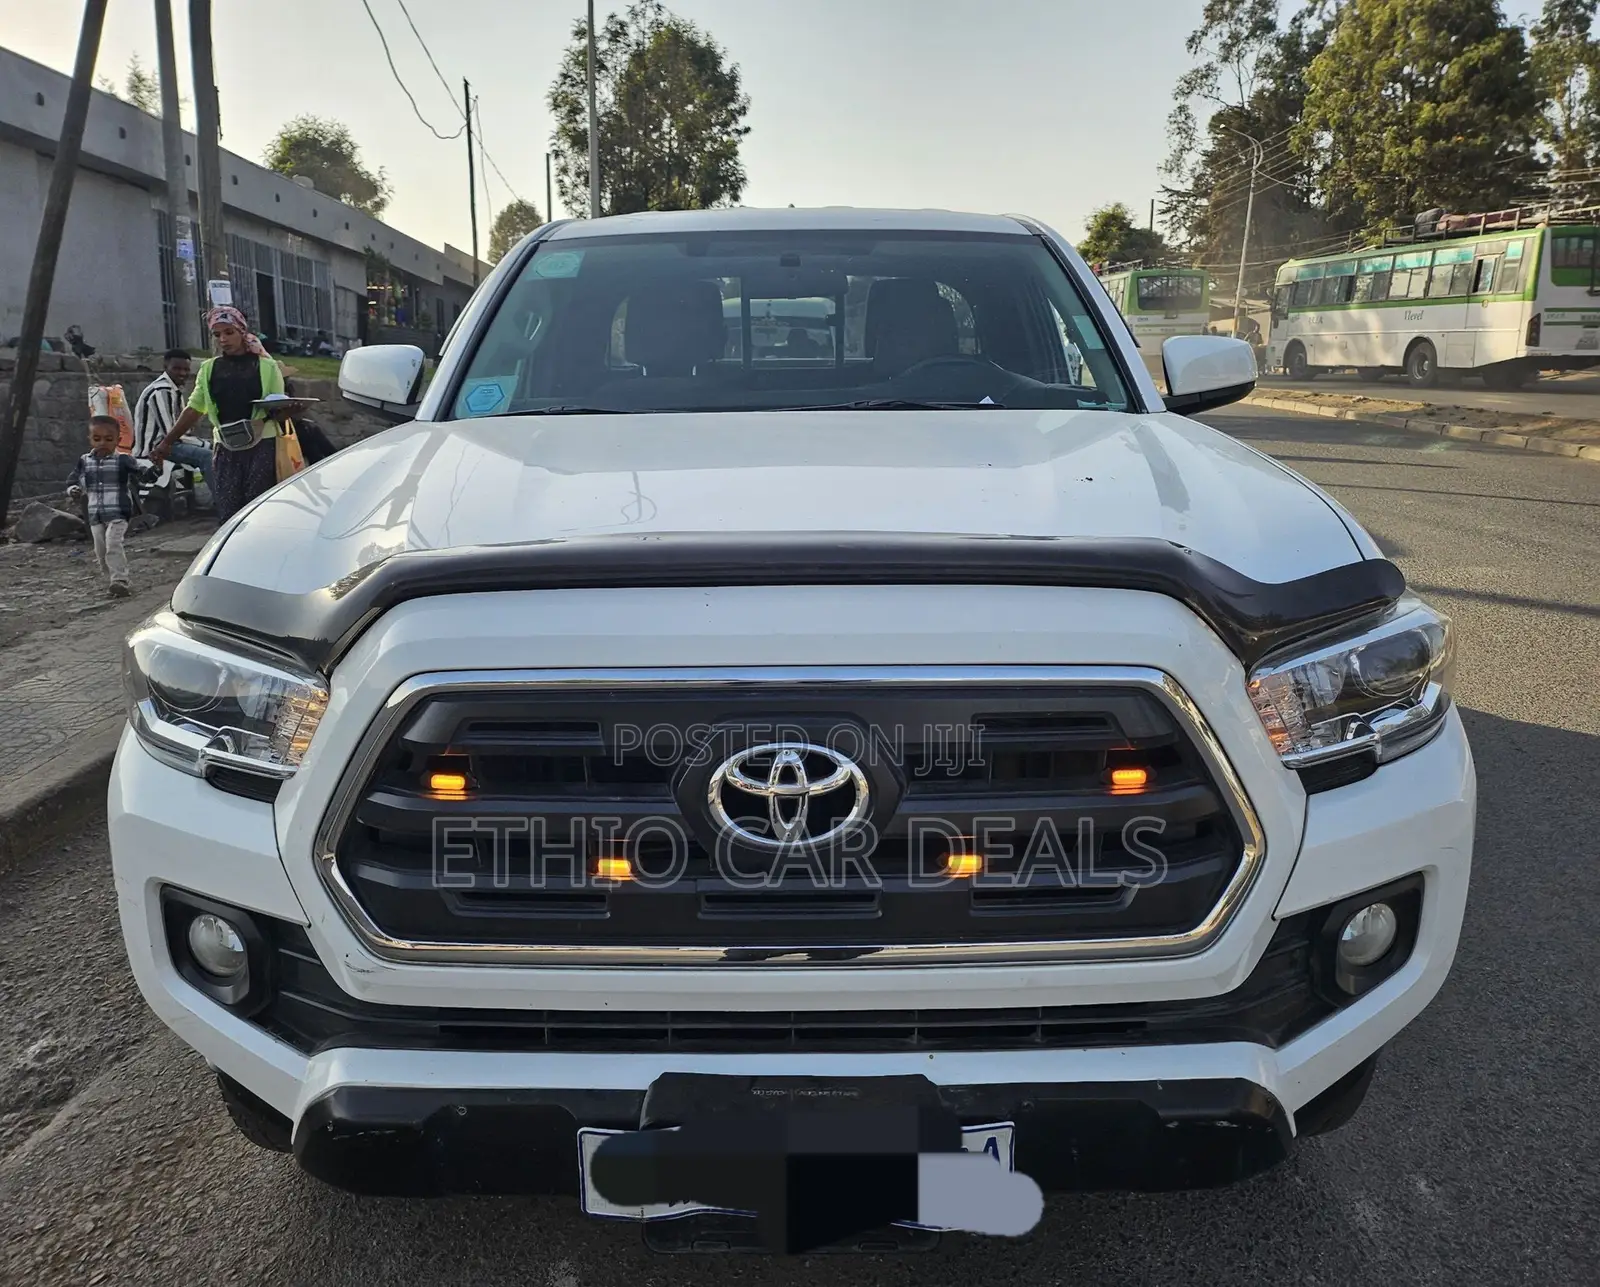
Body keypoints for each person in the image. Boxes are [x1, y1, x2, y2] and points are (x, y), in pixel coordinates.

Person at [149, 305, 286, 523]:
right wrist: (167, 442)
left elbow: (277, 405)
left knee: (257, 508)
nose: (223, 339)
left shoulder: (267, 367)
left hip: (262, 443)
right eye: (217, 334)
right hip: (226, 444)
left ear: (242, 331)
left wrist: (287, 410)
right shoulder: (209, 369)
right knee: (229, 509)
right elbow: (195, 407)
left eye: (229, 332)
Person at [67, 415, 151, 598]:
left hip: (118, 511)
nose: (102, 443)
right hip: (95, 514)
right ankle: (112, 581)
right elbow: (73, 480)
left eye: (109, 439)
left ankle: (120, 580)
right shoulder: (84, 461)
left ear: (118, 440)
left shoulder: (123, 460)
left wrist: (154, 469)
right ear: (90, 439)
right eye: (97, 439)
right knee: (100, 550)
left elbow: (143, 473)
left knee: (113, 542)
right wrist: (73, 490)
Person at [132, 348, 214, 507]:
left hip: (170, 443)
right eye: (177, 368)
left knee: (216, 448)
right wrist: (204, 443)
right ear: (165, 367)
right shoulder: (162, 390)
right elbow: (170, 434)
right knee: (208, 456)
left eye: (186, 369)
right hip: (156, 448)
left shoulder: (172, 389)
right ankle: (224, 504)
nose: (182, 373)